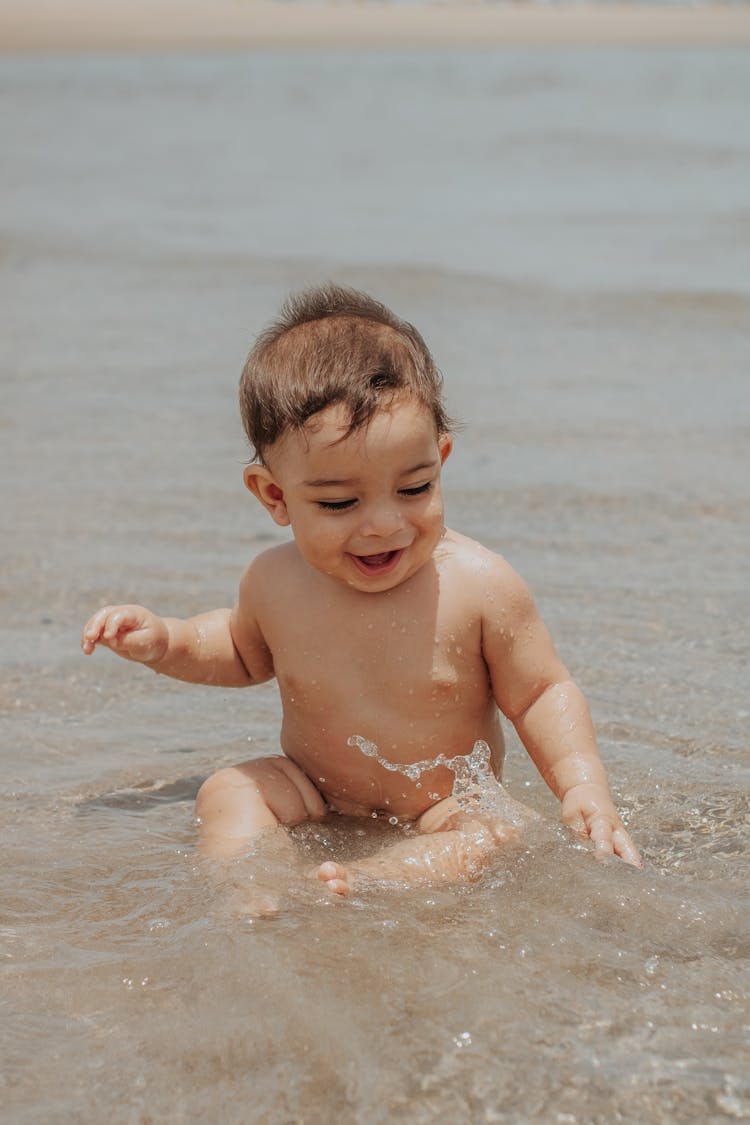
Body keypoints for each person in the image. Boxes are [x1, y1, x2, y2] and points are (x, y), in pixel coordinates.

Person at [81, 284, 641, 900]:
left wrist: (582, 785)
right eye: (340, 502)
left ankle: (366, 881)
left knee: (495, 832)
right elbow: (240, 652)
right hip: (313, 787)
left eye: (413, 487)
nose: (382, 523)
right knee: (229, 789)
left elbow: (540, 693)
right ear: (274, 495)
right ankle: (245, 888)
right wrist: (165, 641)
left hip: (443, 805)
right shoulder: (275, 580)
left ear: (441, 458)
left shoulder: (478, 584)